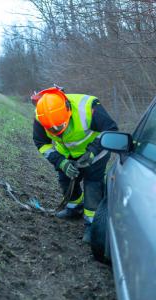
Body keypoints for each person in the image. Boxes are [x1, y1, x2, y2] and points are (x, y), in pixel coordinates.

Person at [32, 86, 118, 243]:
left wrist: (92, 152)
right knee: (66, 180)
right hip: (67, 155)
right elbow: (41, 143)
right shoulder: (42, 116)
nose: (56, 130)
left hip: (95, 153)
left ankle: (93, 225)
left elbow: (111, 129)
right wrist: (61, 162)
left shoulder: (88, 107)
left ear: (68, 110)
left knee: (93, 184)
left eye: (59, 126)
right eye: (52, 129)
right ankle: (74, 208)